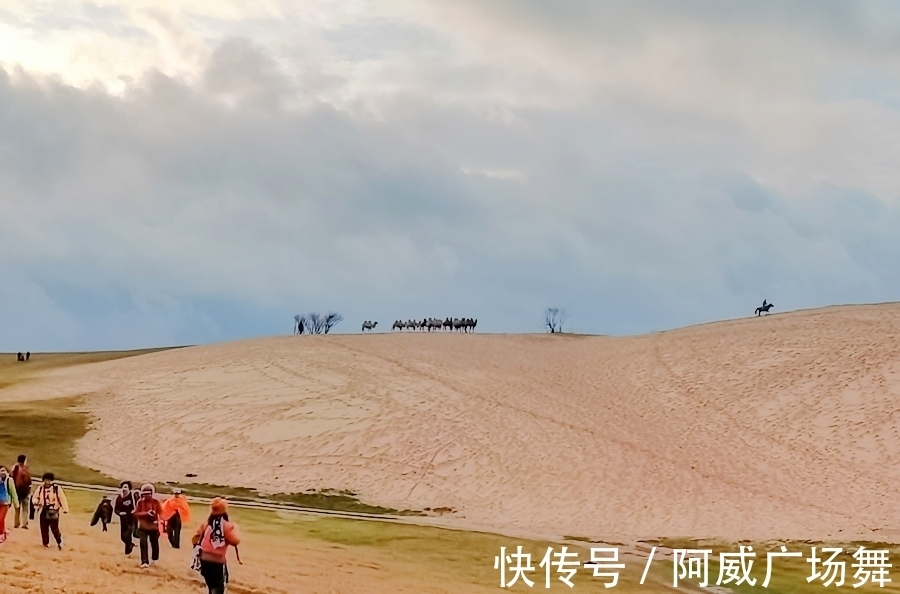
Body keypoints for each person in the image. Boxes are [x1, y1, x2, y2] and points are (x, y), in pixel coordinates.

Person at [192, 498, 241, 594]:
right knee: (218, 587)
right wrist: (236, 529)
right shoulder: (226, 526)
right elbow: (235, 541)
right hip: (217, 561)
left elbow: (195, 537)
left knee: (211, 585)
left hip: (204, 559)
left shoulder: (206, 524)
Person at [31, 472, 68, 549]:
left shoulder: (56, 488)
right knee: (43, 527)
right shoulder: (40, 488)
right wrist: (35, 502)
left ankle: (59, 542)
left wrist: (65, 508)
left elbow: (62, 498)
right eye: (46, 480)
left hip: (54, 510)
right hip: (44, 510)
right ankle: (45, 543)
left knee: (54, 528)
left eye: (49, 480)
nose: (47, 482)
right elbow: (35, 497)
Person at [133, 483, 163, 568]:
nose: (147, 496)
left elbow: (161, 513)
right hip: (143, 527)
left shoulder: (156, 502)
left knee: (155, 544)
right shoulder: (140, 502)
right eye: (145, 494)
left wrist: (158, 521)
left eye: (149, 494)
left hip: (154, 527)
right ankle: (144, 562)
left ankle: (155, 559)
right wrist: (146, 514)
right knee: (143, 543)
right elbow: (136, 513)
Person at [114, 481, 139, 555]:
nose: (124, 489)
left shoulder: (133, 497)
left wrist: (130, 512)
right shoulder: (119, 498)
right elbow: (116, 509)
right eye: (123, 487)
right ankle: (130, 545)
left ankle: (127, 552)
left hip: (131, 519)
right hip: (123, 519)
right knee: (123, 537)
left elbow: (136, 506)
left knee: (127, 535)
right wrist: (119, 513)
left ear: (129, 489)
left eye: (126, 487)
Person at [0, 466, 20, 544]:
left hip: (5, 503)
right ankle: (4, 531)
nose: (2, 472)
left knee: (0, 519)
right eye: (1, 471)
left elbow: (13, 492)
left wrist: (16, 504)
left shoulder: (9, 480)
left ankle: (1, 535)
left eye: (3, 470)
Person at [11, 455, 31, 530]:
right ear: (24, 460)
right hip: (24, 491)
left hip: (15, 490)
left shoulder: (13, 468)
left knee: (17, 507)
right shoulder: (25, 469)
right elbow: (28, 480)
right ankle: (24, 523)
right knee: (25, 508)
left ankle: (16, 523)